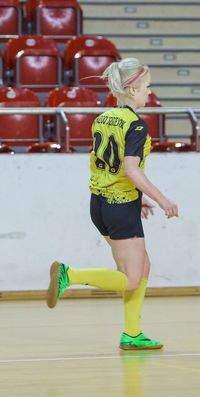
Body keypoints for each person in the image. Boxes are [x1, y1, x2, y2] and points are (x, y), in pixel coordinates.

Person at [46, 58, 179, 350]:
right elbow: (131, 169)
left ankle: (132, 334)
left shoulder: (103, 118)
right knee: (131, 278)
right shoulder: (136, 126)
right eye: (146, 87)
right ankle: (70, 275)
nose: (149, 92)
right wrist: (162, 199)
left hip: (101, 204)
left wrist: (139, 198)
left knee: (142, 268)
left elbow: (109, 165)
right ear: (132, 90)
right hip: (119, 207)